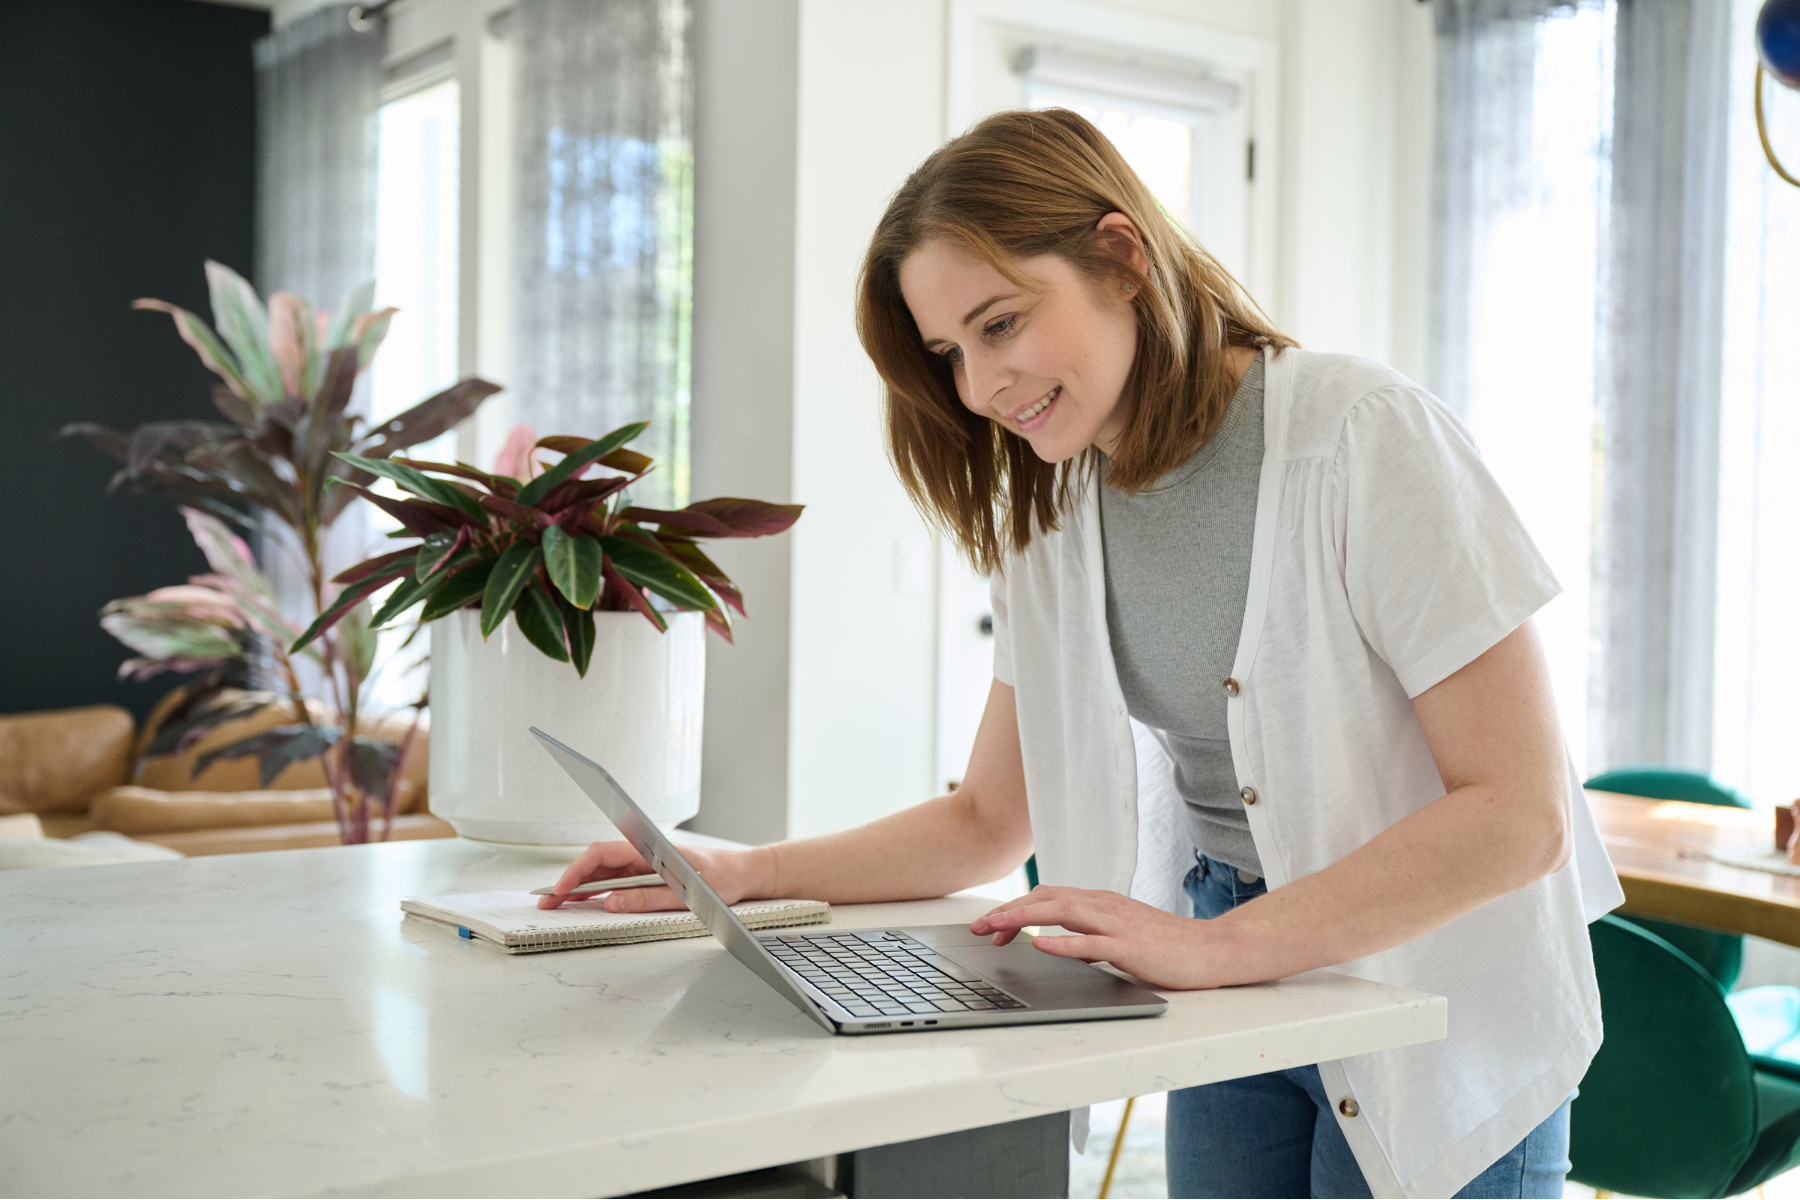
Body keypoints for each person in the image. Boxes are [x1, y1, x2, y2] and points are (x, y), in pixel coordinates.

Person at [541, 108, 1623, 1199]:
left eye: (1001, 323)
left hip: (1433, 988)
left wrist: (1214, 951)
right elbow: (987, 819)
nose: (979, 386)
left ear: (1120, 256)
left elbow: (1515, 815)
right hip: (1233, 958)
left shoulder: (1361, 433)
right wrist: (742, 876)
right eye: (950, 353)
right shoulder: (1055, 508)